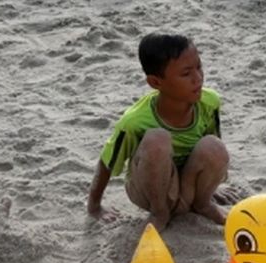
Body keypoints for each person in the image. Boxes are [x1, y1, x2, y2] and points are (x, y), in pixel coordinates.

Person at [86, 33, 229, 228]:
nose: (198, 78)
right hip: (149, 191)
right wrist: (94, 207)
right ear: (155, 83)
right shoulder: (134, 121)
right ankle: (159, 213)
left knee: (214, 145)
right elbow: (107, 163)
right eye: (186, 74)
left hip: (187, 186)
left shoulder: (209, 102)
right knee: (157, 140)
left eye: (199, 67)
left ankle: (203, 204)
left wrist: (210, 187)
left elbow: (212, 145)